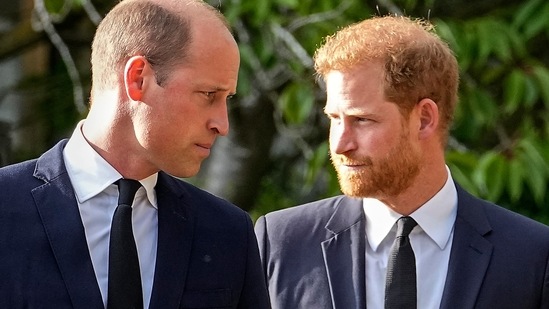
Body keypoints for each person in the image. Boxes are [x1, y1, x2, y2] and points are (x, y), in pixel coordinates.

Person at [255, 15, 549, 309]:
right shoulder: (282, 242)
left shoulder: (531, 255)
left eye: (362, 120)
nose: (340, 144)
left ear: (424, 119)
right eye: (334, 119)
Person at [0, 0, 271, 308]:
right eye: (209, 95)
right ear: (138, 78)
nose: (222, 125)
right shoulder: (5, 208)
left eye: (227, 98)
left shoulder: (228, 233)